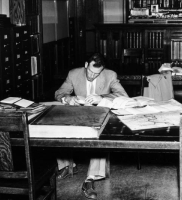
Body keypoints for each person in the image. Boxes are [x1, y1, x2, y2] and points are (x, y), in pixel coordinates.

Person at [55, 53, 129, 199]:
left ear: (102, 70)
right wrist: (68, 99)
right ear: (85, 65)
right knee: (57, 127)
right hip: (78, 113)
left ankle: (90, 178)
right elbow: (60, 92)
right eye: (90, 71)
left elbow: (123, 96)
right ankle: (66, 165)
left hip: (100, 114)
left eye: (96, 74)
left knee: (100, 136)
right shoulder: (74, 74)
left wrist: (101, 97)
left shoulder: (110, 75)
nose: (92, 76)